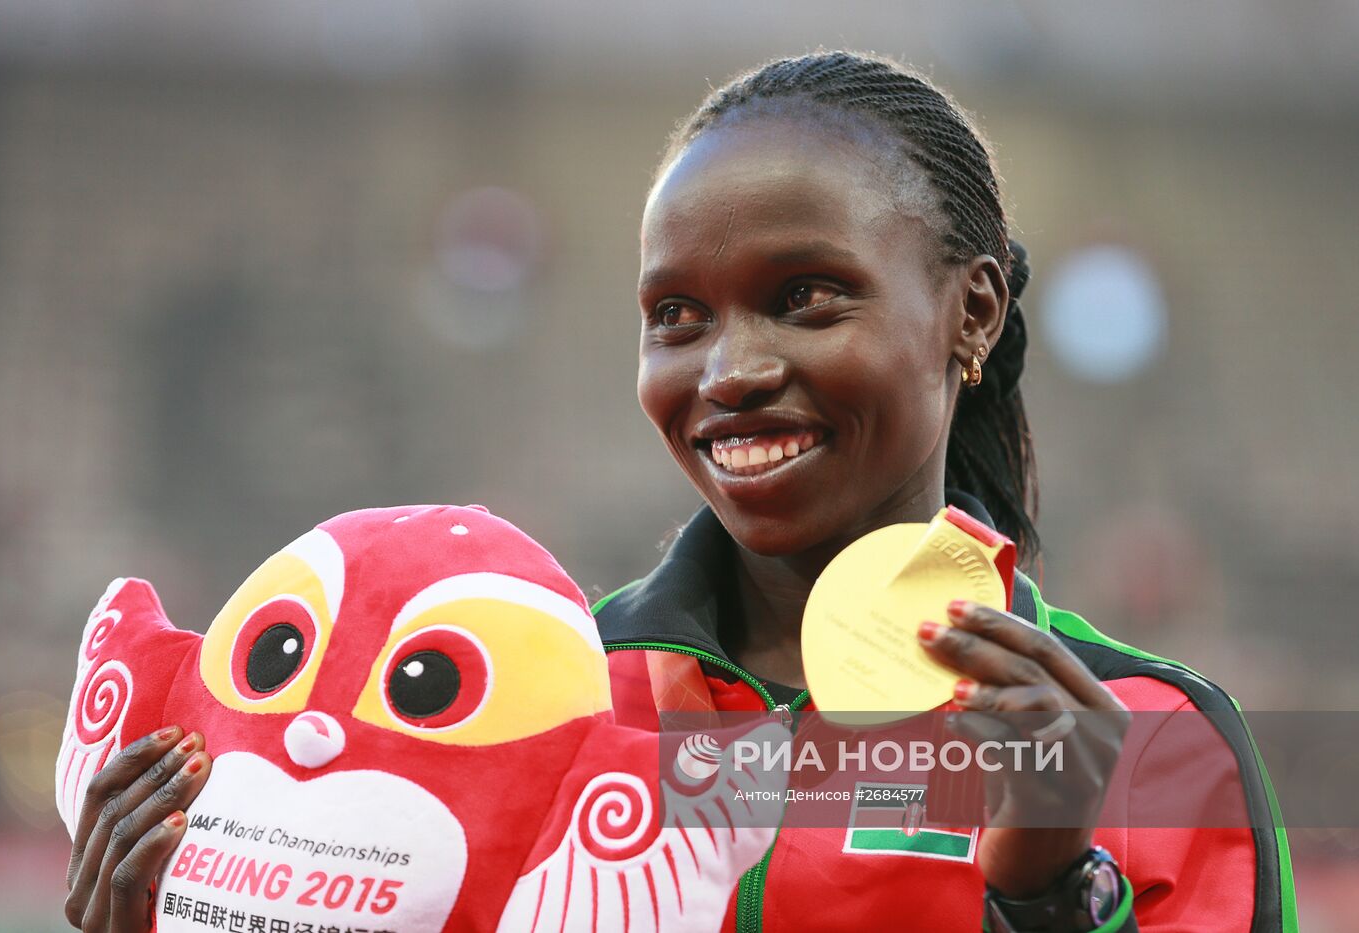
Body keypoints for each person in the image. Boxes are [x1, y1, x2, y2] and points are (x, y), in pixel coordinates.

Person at [63, 51, 1295, 932]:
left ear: (968, 310)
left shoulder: (1154, 748)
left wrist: (1045, 901)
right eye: (676, 318)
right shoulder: (522, 694)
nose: (731, 371)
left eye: (806, 296)